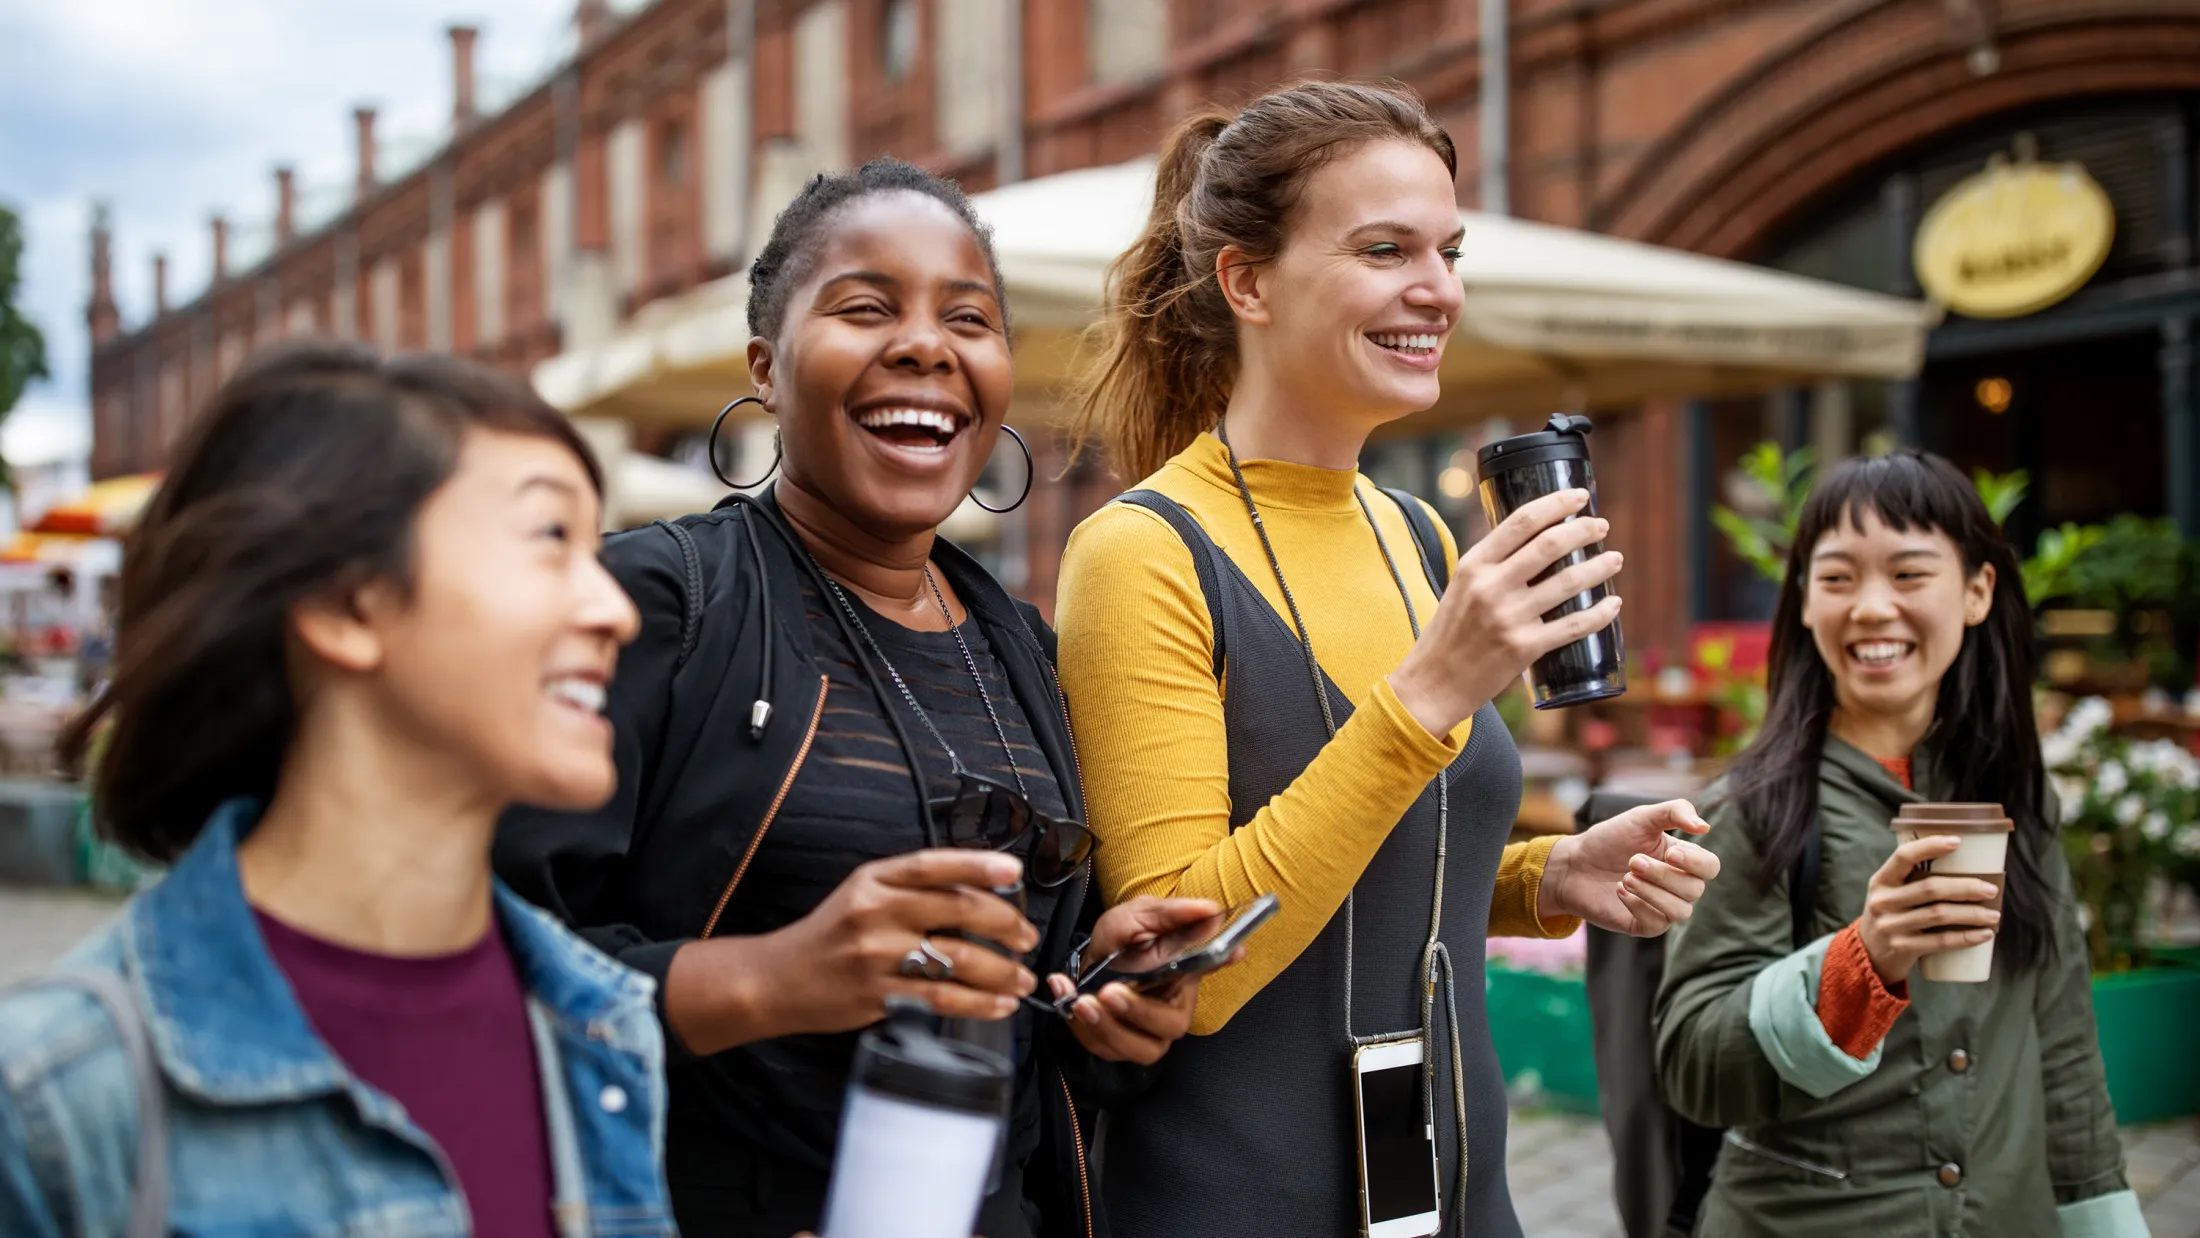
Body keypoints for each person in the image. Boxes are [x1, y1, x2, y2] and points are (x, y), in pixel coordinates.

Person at [495, 158, 1215, 1238]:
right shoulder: (648, 605)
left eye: (968, 319)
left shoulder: (1023, 648)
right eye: (865, 307)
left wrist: (1100, 1006)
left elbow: (1018, 1029)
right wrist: (775, 977)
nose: (927, 345)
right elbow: (482, 968)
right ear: (767, 369)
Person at [1053, 79, 1723, 1238]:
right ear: (1246, 281)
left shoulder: (1410, 528)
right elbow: (1186, 968)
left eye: (1448, 251)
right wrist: (1428, 693)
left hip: (1456, 1189)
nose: (1437, 290)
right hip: (1238, 1202)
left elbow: (1395, 848)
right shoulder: (1140, 553)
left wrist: (1546, 874)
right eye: (1383, 249)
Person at [0, 344, 673, 1236]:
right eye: (552, 539)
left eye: (599, 547)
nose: (615, 608)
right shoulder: (59, 1094)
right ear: (347, 605)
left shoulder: (601, 1030)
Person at [1653, 451, 2143, 1237]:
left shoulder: (2019, 794)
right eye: (1838, 578)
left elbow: (2062, 1048)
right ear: (1805, 603)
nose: (1872, 608)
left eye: (1910, 574)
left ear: (1978, 591)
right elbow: (1693, 1068)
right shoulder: (1752, 809)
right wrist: (1862, 962)